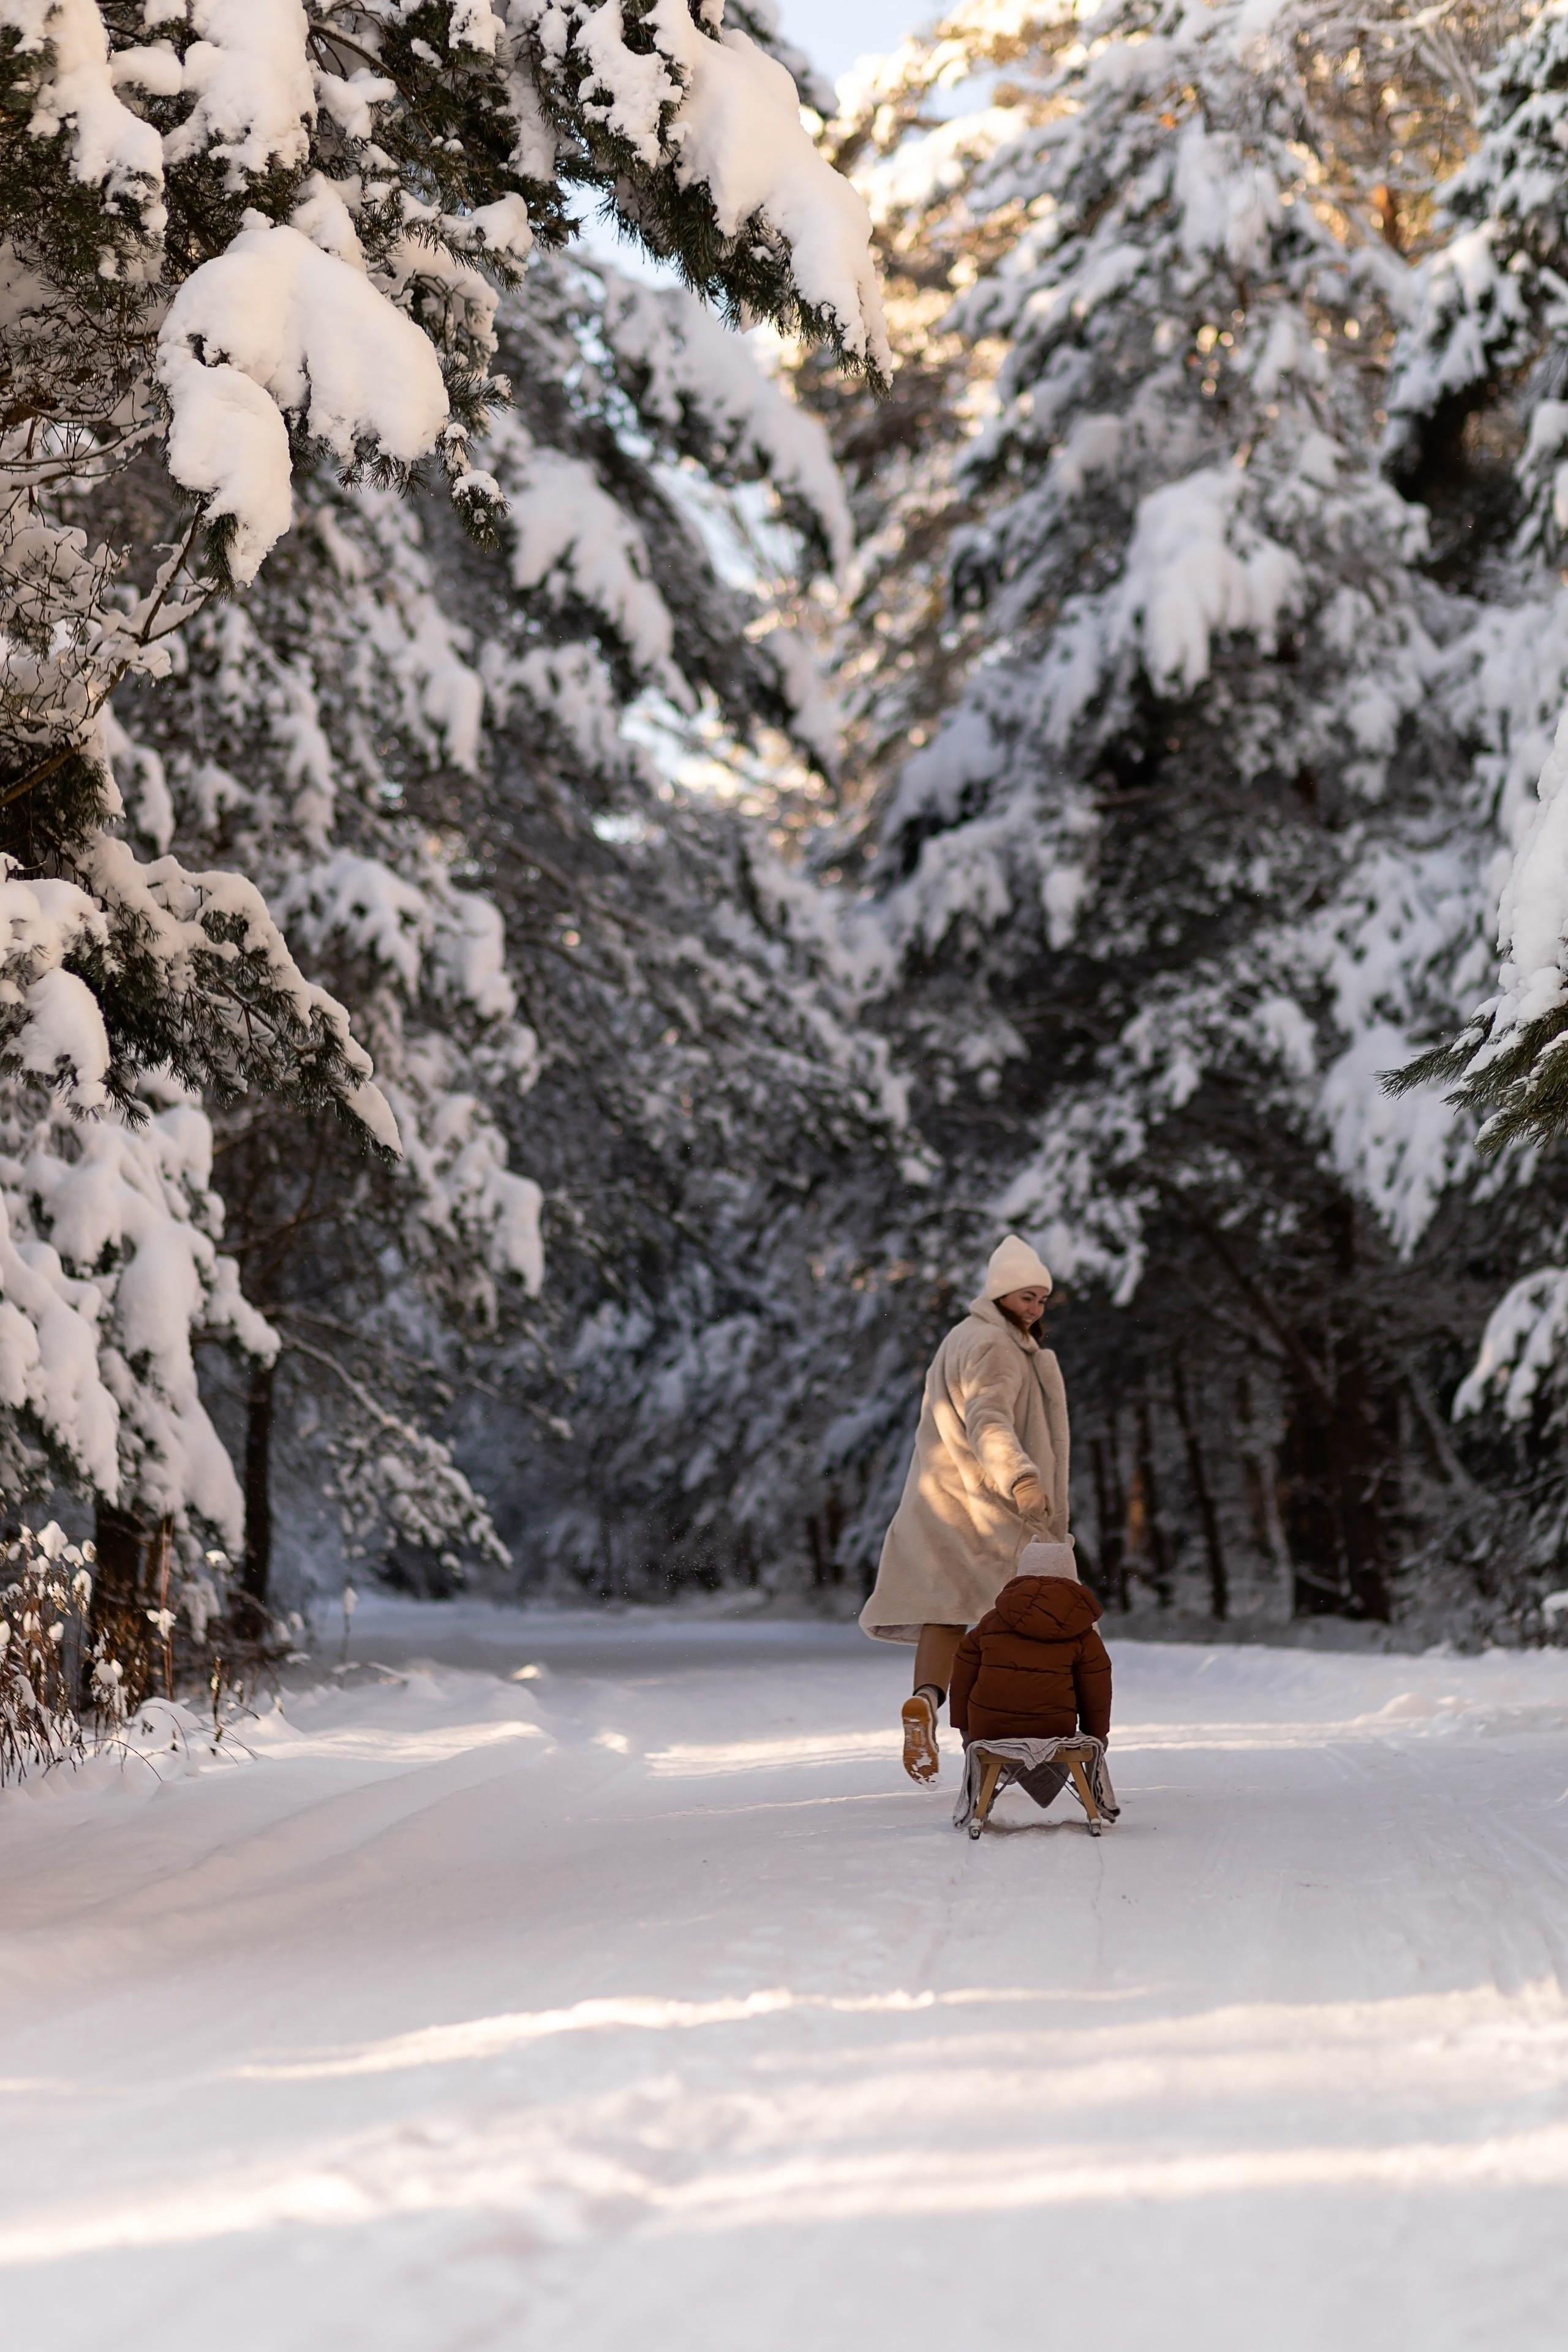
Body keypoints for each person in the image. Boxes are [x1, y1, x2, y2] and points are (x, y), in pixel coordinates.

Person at [859, 1233, 1071, 1782]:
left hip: (940, 1506)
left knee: (946, 1616)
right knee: (1020, 1628)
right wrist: (1022, 1478)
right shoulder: (995, 1346)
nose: (1035, 1308)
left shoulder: (960, 1338)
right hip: (989, 1513)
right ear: (1000, 1294)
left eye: (1042, 1299)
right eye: (1026, 1297)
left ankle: (926, 1703)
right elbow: (988, 1420)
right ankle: (1006, 1750)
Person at [948, 1544, 1111, 1814]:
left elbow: (963, 1672)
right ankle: (1091, 1804)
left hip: (989, 1728)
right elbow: (1097, 1689)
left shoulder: (991, 1622)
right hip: (1054, 1727)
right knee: (1063, 1721)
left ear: (1023, 1570)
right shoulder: (1082, 1630)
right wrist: (1097, 1735)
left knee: (988, 1713)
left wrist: (965, 1729)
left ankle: (983, 1797)